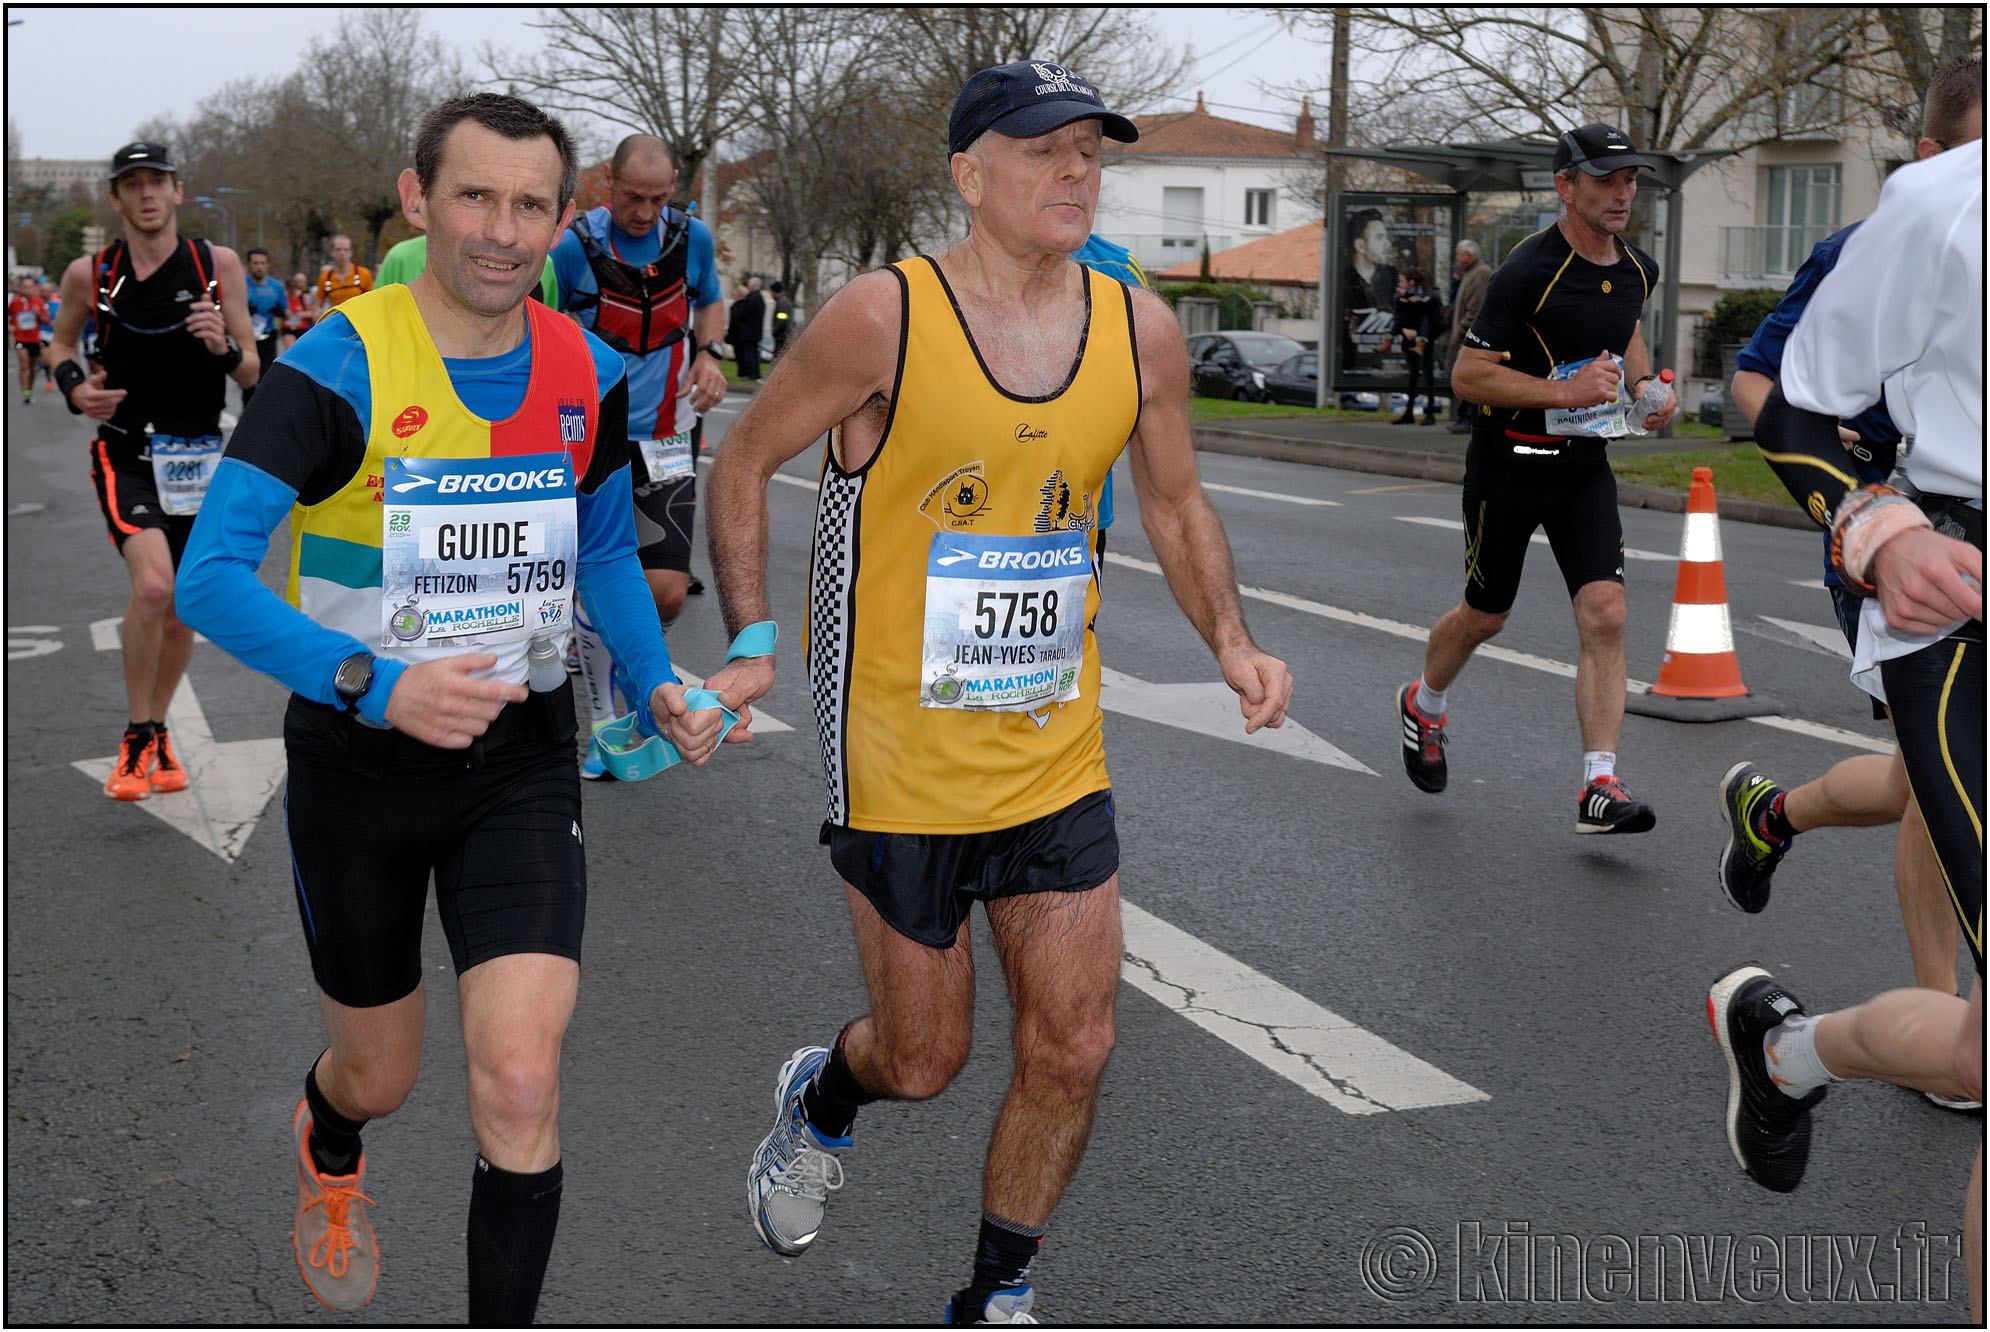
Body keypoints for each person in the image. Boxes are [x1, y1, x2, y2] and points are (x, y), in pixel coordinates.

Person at [705, 59, 1293, 1324]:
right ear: (969, 176)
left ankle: (998, 1293)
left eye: (1091, 149)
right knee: (923, 1059)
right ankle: (824, 1099)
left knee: (1075, 1044)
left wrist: (1232, 645)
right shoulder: (883, 318)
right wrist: (752, 634)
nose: (1075, 170)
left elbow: (1175, 500)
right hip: (897, 752)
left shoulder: (1137, 328)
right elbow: (745, 456)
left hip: (1051, 747)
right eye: (1042, 149)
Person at [173, 92, 733, 1321]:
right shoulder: (337, 365)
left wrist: (658, 684)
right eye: (475, 196)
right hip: (358, 760)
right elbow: (209, 577)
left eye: (531, 204)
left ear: (561, 220)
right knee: (380, 1075)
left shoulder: (587, 371)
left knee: (522, 1080)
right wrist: (369, 682)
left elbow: (596, 557)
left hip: (520, 755)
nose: (502, 229)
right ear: (419, 199)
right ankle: (329, 1140)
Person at [1710, 126, 1983, 1322]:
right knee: (1925, 794)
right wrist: (1879, 529)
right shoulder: (1930, 210)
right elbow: (1779, 400)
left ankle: (1787, 1050)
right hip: (1947, 574)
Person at [1396, 122, 1675, 833]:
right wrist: (1563, 393)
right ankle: (1424, 703)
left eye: (1630, 180)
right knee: (1486, 615)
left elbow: (1627, 328)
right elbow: (1467, 374)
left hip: (1583, 468)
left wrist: (1647, 393)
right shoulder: (1527, 270)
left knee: (1606, 613)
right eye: (1606, 180)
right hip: (1507, 465)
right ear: (1565, 186)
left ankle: (1598, 785)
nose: (1622, 194)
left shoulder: (1638, 267)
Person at [45, 140, 260, 801]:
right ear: (115, 197)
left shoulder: (215, 265)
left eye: (156, 182)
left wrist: (222, 348)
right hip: (126, 453)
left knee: (179, 611)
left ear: (177, 191)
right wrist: (77, 388)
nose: (145, 194)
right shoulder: (93, 274)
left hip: (198, 458)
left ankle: (158, 729)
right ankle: (139, 733)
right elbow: (58, 344)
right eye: (131, 184)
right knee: (154, 586)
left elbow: (254, 369)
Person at [550, 133, 726, 776]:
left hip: (668, 433)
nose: (645, 211)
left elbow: (709, 303)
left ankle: (620, 668)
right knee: (602, 570)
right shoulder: (574, 247)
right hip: (591, 434)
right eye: (633, 197)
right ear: (608, 183)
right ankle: (608, 718)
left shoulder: (692, 240)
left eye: (658, 198)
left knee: (670, 593)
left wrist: (708, 353)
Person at [376, 231, 561, 307]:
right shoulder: (401, 257)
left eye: (529, 205)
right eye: (473, 196)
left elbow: (547, 323)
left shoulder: (545, 264)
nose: (503, 235)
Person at [1445, 239, 1491, 434]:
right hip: (1465, 336)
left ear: (1469, 256)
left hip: (1469, 339)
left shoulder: (1480, 274)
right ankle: (1465, 418)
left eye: (1459, 254)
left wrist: (1460, 333)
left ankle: (1468, 418)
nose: (1456, 259)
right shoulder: (1470, 273)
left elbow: (1475, 310)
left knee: (1467, 379)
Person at [1392, 266, 1441, 425]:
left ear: (1412, 282)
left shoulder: (1429, 297)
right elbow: (1400, 316)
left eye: (1402, 281)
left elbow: (1431, 318)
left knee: (1427, 375)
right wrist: (1405, 330)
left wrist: (1418, 332)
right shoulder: (1403, 297)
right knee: (1413, 375)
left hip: (1424, 341)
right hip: (1409, 339)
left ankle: (1430, 412)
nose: (1399, 284)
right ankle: (1409, 412)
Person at [241, 247, 289, 407]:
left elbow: (286, 312)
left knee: (265, 379)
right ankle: (245, 412)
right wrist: (244, 310)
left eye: (262, 263)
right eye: (255, 263)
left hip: (268, 336)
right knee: (248, 380)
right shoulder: (241, 284)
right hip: (246, 337)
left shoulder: (276, 287)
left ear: (267, 265)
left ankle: (260, 412)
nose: (259, 267)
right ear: (249, 265)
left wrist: (280, 312)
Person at [9, 277, 50, 404]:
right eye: (25, 287)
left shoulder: (38, 302)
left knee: (32, 367)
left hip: (35, 339)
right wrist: (10, 327)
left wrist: (38, 314)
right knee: (24, 364)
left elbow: (46, 321)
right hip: (20, 338)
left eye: (30, 287)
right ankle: (25, 391)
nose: (28, 289)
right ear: (21, 289)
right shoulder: (15, 302)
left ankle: (29, 389)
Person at [315, 234, 372, 312]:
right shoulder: (325, 278)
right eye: (338, 250)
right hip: (336, 320)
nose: (342, 253)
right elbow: (317, 306)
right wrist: (317, 313)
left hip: (358, 320)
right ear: (332, 252)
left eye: (346, 250)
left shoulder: (363, 274)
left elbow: (372, 301)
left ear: (351, 252)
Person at [726, 276, 764, 381]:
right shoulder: (759, 298)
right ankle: (754, 374)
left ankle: (752, 374)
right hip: (755, 332)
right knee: (752, 354)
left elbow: (742, 314)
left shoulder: (752, 298)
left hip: (749, 333)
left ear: (752, 286)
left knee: (749, 354)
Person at [280, 272, 313, 352]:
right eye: (289, 289)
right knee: (290, 350)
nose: (291, 292)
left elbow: (311, 313)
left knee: (301, 351)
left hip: (301, 329)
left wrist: (302, 314)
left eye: (293, 289)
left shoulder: (303, 297)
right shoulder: (283, 297)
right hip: (287, 328)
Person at [768, 279, 795, 358]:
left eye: (771, 291)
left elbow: (782, 318)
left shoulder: (782, 302)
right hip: (783, 334)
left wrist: (775, 330)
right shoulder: (784, 301)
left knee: (778, 357)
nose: (770, 293)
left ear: (774, 291)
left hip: (782, 335)